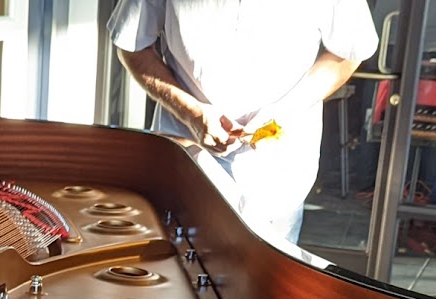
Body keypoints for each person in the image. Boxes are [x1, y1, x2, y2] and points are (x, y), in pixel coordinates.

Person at [108, 0, 379, 243]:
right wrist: (191, 112)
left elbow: (349, 52)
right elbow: (131, 45)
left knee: (266, 280)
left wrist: (284, 111)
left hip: (279, 171)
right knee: (173, 273)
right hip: (183, 162)